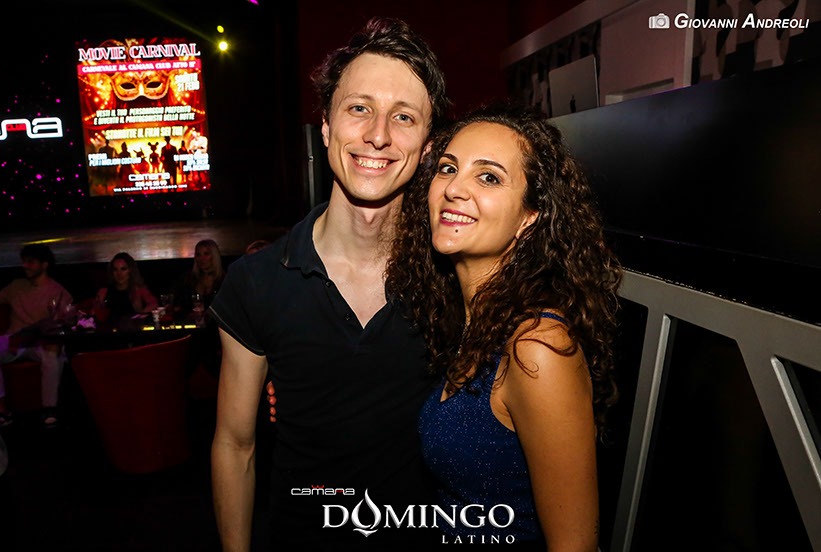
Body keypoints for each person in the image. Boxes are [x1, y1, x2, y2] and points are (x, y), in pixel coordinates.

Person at [209, 16, 450, 551]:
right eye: (359, 108)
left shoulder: (454, 279)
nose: (378, 135)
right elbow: (235, 445)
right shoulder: (257, 283)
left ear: (428, 147)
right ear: (325, 126)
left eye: (403, 116)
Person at [385, 102, 622, 549]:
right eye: (448, 168)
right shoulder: (465, 319)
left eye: (489, 177)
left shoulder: (538, 347)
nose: (454, 188)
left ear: (530, 217)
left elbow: (574, 545)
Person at [0, 244, 73, 428]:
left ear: (44, 265)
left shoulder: (58, 292)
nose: (25, 266)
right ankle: (1, 411)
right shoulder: (16, 286)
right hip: (13, 341)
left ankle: (49, 409)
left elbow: (63, 324)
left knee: (53, 354)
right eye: (24, 261)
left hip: (40, 343)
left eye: (31, 262)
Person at [94, 252, 158, 321]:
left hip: (134, 326)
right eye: (115, 269)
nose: (119, 274)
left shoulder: (138, 289)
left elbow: (154, 304)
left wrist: (140, 315)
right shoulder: (104, 291)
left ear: (130, 270)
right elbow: (94, 313)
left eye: (123, 269)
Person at [173, 239, 225, 318]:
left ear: (214, 256)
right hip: (191, 323)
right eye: (198, 255)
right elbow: (178, 305)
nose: (201, 258)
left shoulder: (224, 280)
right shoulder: (189, 279)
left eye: (206, 254)